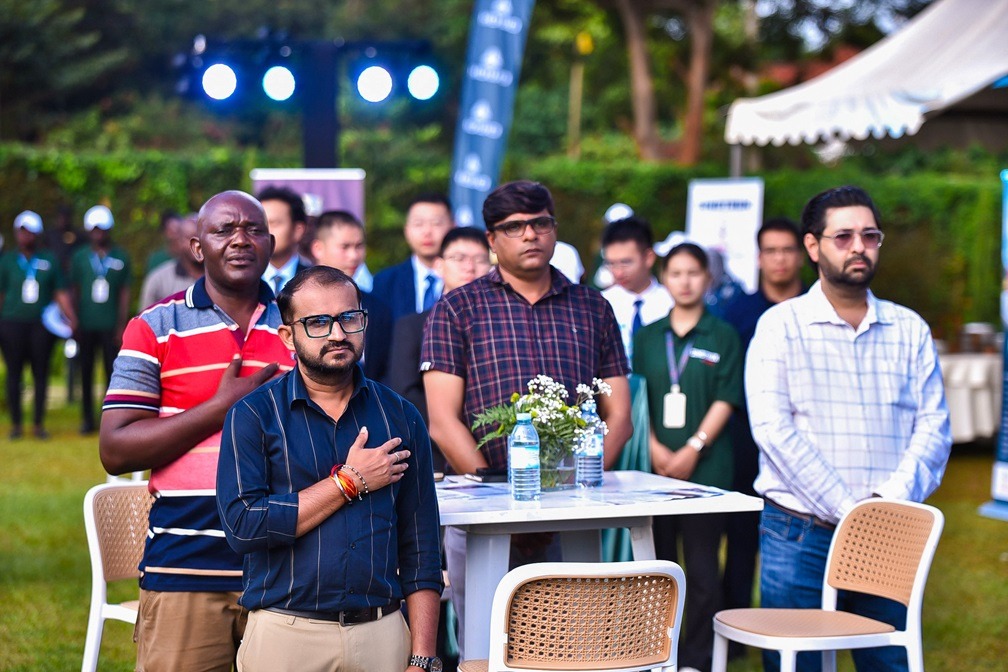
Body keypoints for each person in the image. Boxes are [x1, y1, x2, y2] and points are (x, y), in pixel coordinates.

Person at [746, 185, 952, 672]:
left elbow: (934, 427)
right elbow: (773, 430)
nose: (859, 246)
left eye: (870, 235)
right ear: (813, 247)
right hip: (800, 531)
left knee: (886, 660)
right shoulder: (780, 325)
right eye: (844, 236)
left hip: (887, 532)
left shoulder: (910, 330)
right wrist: (849, 511)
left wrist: (884, 508)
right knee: (799, 665)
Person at [422, 180, 632, 656]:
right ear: (492, 240)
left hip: (573, 514)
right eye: (515, 227)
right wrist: (507, 504)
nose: (530, 235)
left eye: (540, 223)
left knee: (574, 647)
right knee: (484, 648)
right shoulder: (458, 308)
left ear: (554, 229)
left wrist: (576, 492)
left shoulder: (594, 307)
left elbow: (618, 415)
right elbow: (443, 420)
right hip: (485, 513)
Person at [99, 190, 294, 672]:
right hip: (186, 566)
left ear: (271, 243)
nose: (240, 239)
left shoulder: (304, 324)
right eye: (224, 229)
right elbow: (116, 449)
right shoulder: (155, 326)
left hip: (290, 568)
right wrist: (218, 408)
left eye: (253, 229)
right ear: (197, 247)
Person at [216, 265, 443, 672]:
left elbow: (421, 546)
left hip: (382, 633)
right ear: (288, 335)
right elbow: (242, 526)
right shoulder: (253, 415)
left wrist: (423, 657)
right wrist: (348, 482)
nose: (338, 334)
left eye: (349, 319)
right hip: (286, 635)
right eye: (318, 322)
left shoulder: (402, 417)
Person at [632, 243, 742, 672]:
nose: (685, 281)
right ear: (664, 278)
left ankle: (696, 659)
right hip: (655, 470)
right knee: (656, 569)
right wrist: (657, 448)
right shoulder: (647, 336)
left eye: (693, 272)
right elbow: (638, 397)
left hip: (706, 470)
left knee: (700, 570)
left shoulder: (723, 335)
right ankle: (657, 657)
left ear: (708, 279)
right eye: (675, 273)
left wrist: (693, 447)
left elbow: (726, 398)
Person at [718, 217, 805, 637]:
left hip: (804, 443)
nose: (780, 259)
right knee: (739, 539)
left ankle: (802, 625)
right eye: (771, 251)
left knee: (798, 538)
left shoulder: (814, 308)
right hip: (743, 442)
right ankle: (736, 633)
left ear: (803, 254)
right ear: (758, 257)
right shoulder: (737, 313)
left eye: (787, 249)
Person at [384, 226, 492, 472]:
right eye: (459, 259)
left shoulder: (502, 325)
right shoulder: (411, 325)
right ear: (439, 266)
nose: (469, 267)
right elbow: (405, 391)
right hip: (434, 456)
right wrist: (451, 428)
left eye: (480, 259)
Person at [0, 210, 77, 439]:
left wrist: (72, 319)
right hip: (12, 323)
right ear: (16, 233)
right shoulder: (7, 261)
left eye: (30, 232)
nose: (26, 236)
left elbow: (60, 293)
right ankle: (16, 424)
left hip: (40, 325)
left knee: (40, 374)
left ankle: (38, 424)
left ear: (38, 233)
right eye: (22, 231)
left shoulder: (48, 260)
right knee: (14, 374)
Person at [69, 205, 132, 434]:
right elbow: (73, 289)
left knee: (111, 373)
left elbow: (125, 293)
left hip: (109, 325)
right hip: (85, 325)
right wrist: (74, 320)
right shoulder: (80, 257)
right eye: (94, 229)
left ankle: (108, 418)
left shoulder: (121, 256)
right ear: (88, 230)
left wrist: (121, 324)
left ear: (109, 229)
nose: (99, 233)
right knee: (85, 372)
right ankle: (87, 419)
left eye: (103, 229)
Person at [311, 210, 392, 381]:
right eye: (345, 247)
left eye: (359, 246)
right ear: (318, 248)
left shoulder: (378, 307)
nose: (354, 256)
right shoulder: (295, 301)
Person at [600, 215, 673, 364]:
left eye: (625, 262)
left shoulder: (671, 303)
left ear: (648, 258)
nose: (618, 272)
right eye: (611, 263)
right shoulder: (600, 304)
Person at [373, 194, 455, 324]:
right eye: (418, 224)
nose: (427, 231)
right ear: (407, 230)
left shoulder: (466, 277)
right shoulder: (385, 282)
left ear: (453, 226)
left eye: (436, 223)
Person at [138, 213, 202, 308]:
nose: (197, 244)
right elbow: (144, 319)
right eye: (190, 238)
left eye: (201, 236)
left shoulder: (219, 277)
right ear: (179, 242)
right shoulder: (158, 280)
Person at [257, 185, 311, 294]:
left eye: (274, 223)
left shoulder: (313, 281)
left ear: (298, 230)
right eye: (260, 224)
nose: (266, 231)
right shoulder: (244, 280)